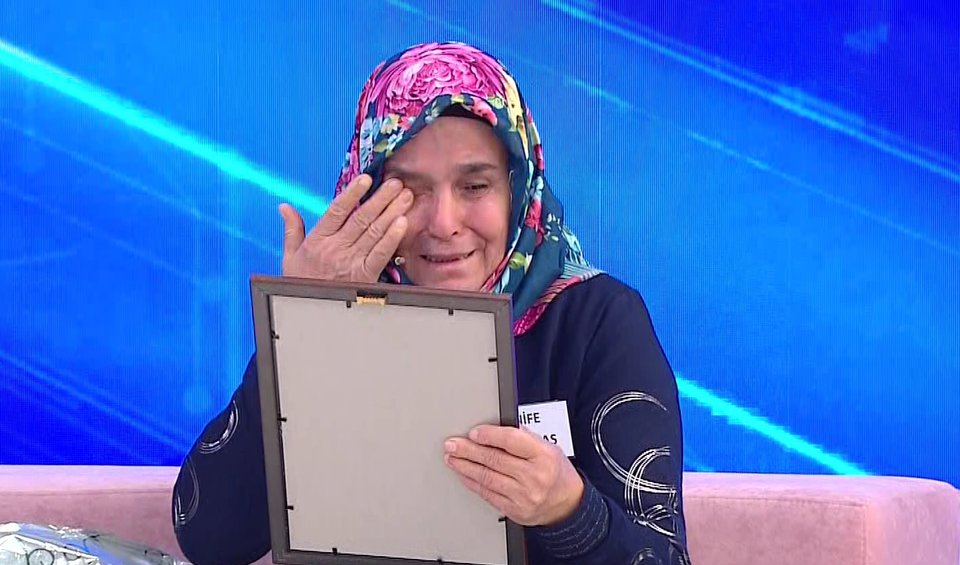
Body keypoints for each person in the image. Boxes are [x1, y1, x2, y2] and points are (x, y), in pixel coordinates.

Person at [173, 42, 691, 565]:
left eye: (475, 185)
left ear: (518, 188)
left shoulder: (597, 319)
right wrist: (300, 325)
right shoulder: (340, 310)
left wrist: (569, 510)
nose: (443, 223)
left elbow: (663, 556)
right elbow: (209, 539)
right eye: (410, 190)